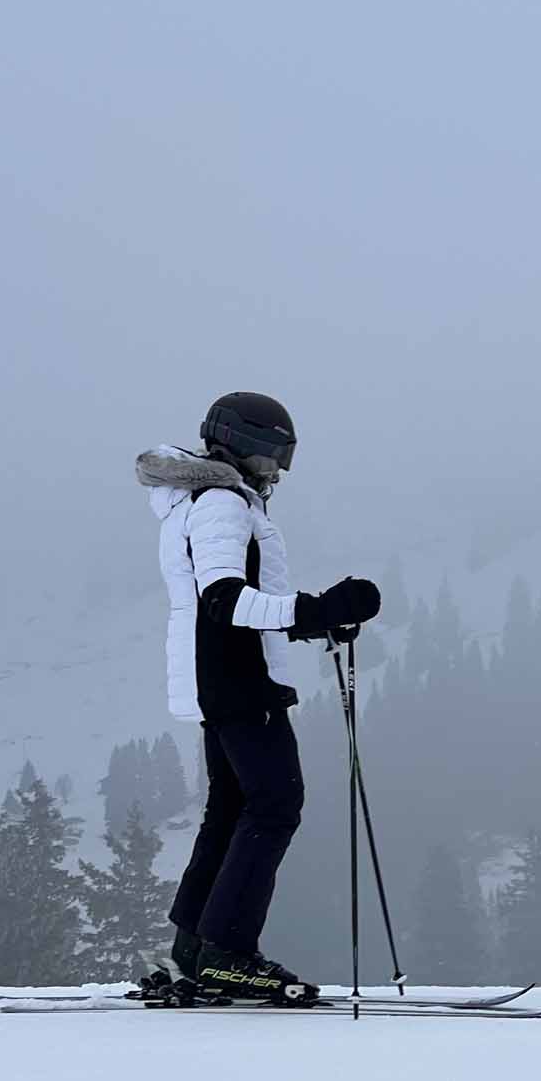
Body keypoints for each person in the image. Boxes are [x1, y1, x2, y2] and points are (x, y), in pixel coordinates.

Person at [134, 392, 380, 1004]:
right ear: (239, 446)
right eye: (271, 456)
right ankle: (228, 951)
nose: (277, 471)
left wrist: (308, 621)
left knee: (233, 808)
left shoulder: (197, 501)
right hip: (238, 679)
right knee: (274, 805)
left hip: (216, 676)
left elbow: (224, 603)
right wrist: (317, 608)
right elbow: (225, 601)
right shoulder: (220, 503)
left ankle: (195, 945)